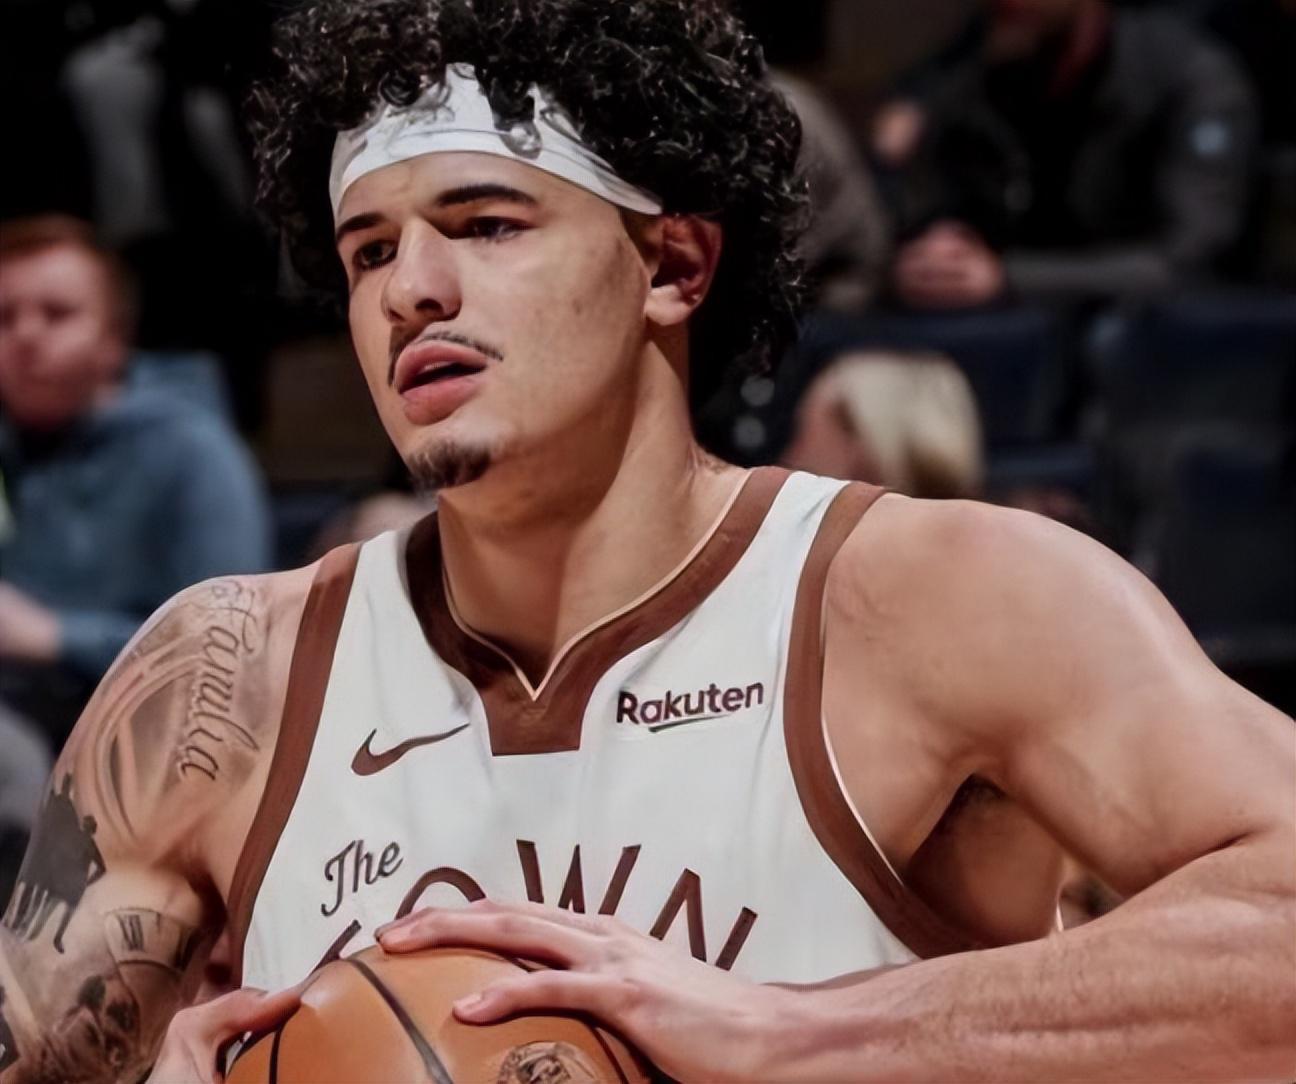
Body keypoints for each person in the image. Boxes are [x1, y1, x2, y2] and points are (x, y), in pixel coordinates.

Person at [1, 4, 1293, 1084]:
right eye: (370, 249)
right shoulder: (225, 677)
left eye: (486, 224)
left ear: (673, 265)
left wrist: (795, 1034)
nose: (411, 289)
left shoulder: (937, 595)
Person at [0, 215, 273, 745]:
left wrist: (55, 638)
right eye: (5, 317)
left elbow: (232, 652)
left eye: (57, 314)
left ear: (114, 341)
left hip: (151, 744)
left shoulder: (193, 452)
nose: (25, 336)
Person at [888, 0, 1258, 307]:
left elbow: (1189, 260)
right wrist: (944, 245)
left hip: (1155, 332)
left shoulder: (1190, 79)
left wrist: (1011, 277)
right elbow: (949, 194)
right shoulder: (989, 65)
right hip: (1019, 326)